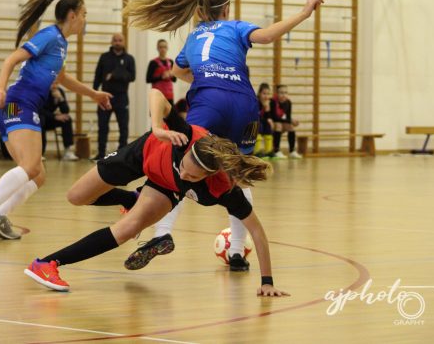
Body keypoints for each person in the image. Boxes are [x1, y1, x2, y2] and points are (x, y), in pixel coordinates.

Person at [121, 0, 323, 270]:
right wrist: (304, 13)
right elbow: (267, 36)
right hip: (244, 104)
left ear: (200, 11)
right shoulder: (235, 27)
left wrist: (205, 80)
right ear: (226, 9)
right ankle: (237, 253)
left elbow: (177, 70)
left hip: (209, 103)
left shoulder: (194, 37)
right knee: (238, 175)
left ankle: (162, 233)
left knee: (179, 166)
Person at [24, 89, 288, 298]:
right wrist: (157, 127)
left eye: (192, 177)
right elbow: (157, 94)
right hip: (144, 154)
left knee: (127, 229)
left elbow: (257, 231)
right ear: (185, 151)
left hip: (166, 188)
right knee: (76, 197)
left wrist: (267, 282)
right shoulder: (185, 135)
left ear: (208, 176)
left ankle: (47, 263)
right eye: (184, 167)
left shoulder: (223, 190)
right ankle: (130, 198)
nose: (185, 175)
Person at [0, 0, 112, 241]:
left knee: (38, 174)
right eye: (84, 14)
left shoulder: (61, 45)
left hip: (13, 108)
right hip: (19, 103)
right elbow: (12, 59)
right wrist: (0, 87)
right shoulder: (50, 36)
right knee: (31, 166)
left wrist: (93, 94)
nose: (85, 20)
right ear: (72, 15)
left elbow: (62, 78)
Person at [92, 33, 136, 160]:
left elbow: (132, 77)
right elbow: (98, 76)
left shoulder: (129, 59)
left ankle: (122, 155)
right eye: (115, 40)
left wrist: (114, 75)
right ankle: (101, 153)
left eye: (120, 40)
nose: (117, 42)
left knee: (123, 127)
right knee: (102, 126)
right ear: (112, 42)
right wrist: (94, 93)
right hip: (105, 96)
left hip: (122, 97)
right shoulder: (104, 57)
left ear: (124, 42)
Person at [40, 82, 78, 161]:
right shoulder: (42, 91)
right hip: (40, 118)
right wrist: (55, 116)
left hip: (50, 120)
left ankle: (67, 151)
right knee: (41, 119)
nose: (54, 85)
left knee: (67, 119)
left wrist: (61, 98)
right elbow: (40, 110)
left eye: (56, 83)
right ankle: (40, 153)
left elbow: (66, 111)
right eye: (52, 83)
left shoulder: (59, 91)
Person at [271, 84, 301, 159]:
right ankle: (276, 151)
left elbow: (287, 117)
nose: (284, 95)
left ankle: (292, 151)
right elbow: (274, 117)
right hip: (271, 123)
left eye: (285, 92)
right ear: (276, 93)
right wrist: (290, 120)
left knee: (290, 127)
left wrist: (292, 121)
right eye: (281, 92)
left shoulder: (288, 102)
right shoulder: (273, 102)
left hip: (280, 122)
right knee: (279, 125)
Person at [146, 39, 176, 103]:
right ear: (157, 48)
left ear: (167, 48)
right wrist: (161, 77)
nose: (163, 49)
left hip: (169, 95)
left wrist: (172, 74)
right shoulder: (153, 62)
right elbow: (148, 79)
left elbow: (174, 79)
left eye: (164, 47)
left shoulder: (171, 62)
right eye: (161, 47)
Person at [254, 83, 275, 158]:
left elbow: (269, 117)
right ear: (259, 94)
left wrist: (267, 110)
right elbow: (255, 115)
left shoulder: (271, 102)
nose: (266, 96)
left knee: (268, 126)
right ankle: (256, 151)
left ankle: (268, 151)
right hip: (254, 121)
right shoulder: (256, 101)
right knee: (259, 126)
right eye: (264, 93)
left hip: (262, 121)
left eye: (268, 94)